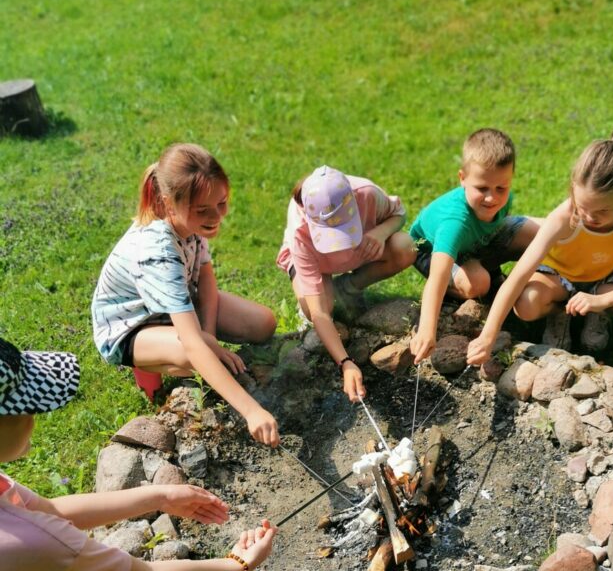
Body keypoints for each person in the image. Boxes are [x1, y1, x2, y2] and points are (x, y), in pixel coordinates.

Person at [0, 335, 277, 570]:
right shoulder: (38, 542)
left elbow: (50, 510)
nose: (34, 418)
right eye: (27, 407)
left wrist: (160, 497)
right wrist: (234, 564)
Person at [91, 143, 280, 447]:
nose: (216, 216)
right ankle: (145, 366)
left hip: (176, 305)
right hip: (131, 328)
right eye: (203, 210)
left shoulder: (190, 219)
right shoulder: (157, 252)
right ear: (169, 204)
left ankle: (183, 344)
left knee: (263, 323)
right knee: (193, 357)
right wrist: (251, 410)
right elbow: (192, 345)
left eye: (222, 203)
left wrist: (209, 337)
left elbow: (206, 279)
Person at [468, 129, 613, 363]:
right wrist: (487, 336)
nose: (589, 217)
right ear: (573, 188)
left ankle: (598, 312)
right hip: (558, 277)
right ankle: (562, 311)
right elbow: (518, 276)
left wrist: (603, 301)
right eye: (583, 207)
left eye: (602, 210)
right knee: (527, 305)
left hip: (607, 277)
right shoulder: (564, 217)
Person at [276, 165, 416, 402]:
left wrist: (381, 233)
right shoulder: (301, 231)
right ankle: (325, 295)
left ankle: (349, 287)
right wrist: (345, 362)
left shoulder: (367, 193)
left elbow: (399, 214)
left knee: (406, 246)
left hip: (359, 250)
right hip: (318, 262)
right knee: (315, 308)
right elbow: (319, 313)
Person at [409, 128, 540, 364]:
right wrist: (427, 329)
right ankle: (465, 285)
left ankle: (553, 286)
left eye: (501, 188)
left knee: (540, 232)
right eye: (482, 188)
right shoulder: (454, 223)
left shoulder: (500, 200)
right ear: (462, 178)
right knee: (478, 283)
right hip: (428, 251)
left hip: (475, 243)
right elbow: (438, 276)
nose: (492, 198)